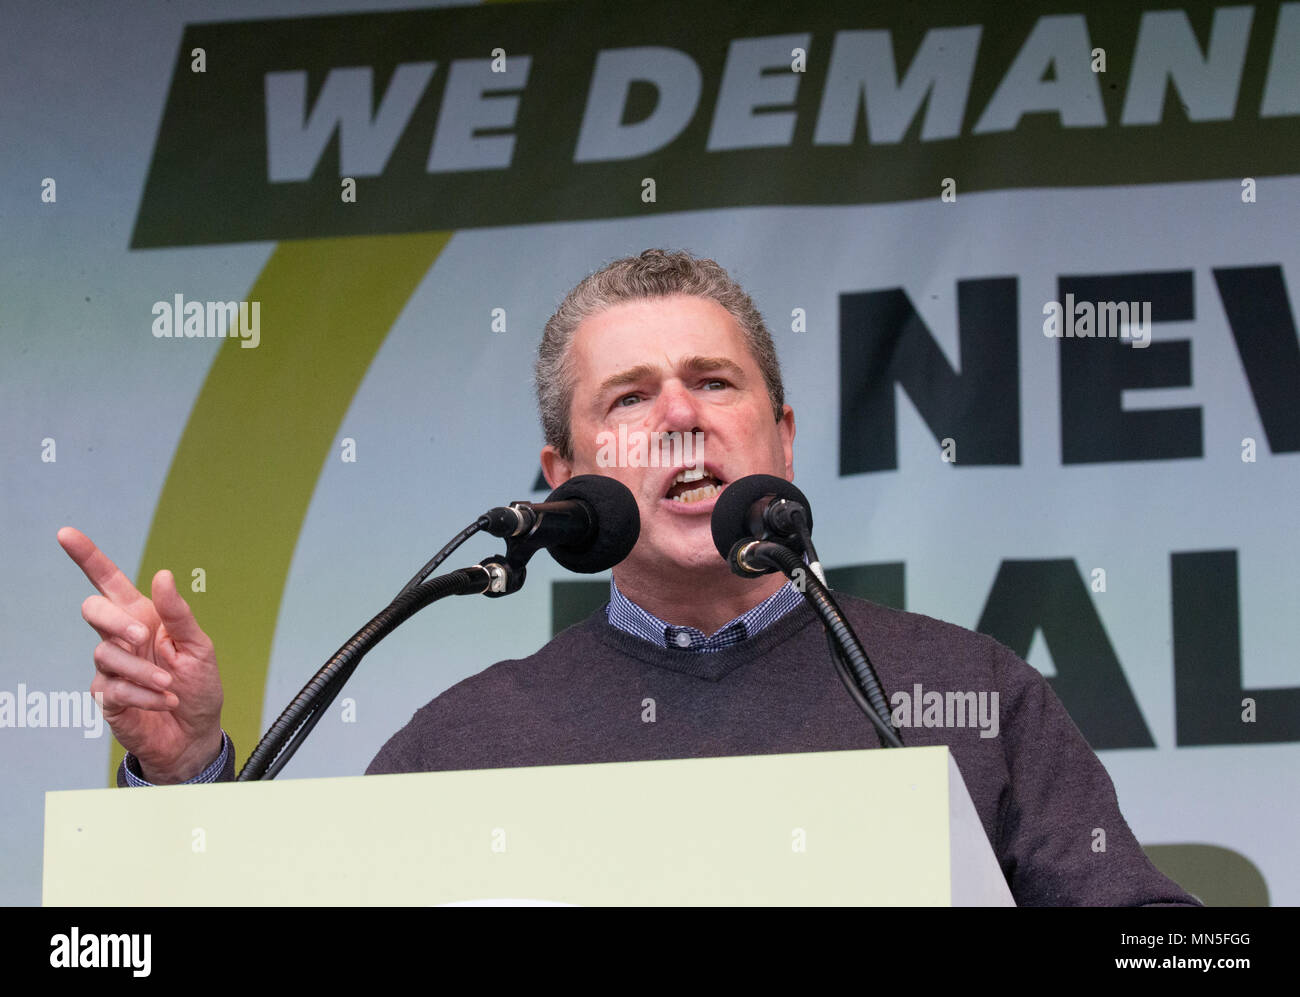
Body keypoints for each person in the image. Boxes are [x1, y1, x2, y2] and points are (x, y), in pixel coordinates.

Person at [59, 249, 1198, 905]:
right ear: (563, 476)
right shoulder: (458, 743)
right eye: (630, 398)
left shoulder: (964, 691)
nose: (681, 419)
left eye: (714, 382)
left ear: (781, 438)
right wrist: (185, 778)